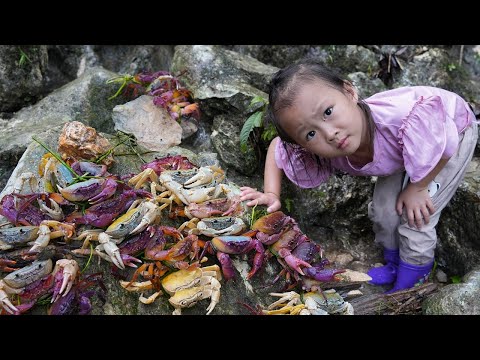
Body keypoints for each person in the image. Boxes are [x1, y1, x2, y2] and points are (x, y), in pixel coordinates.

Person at [239, 58, 478, 293]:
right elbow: (277, 147)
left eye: (328, 112)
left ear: (349, 91)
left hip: (448, 133)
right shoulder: (329, 142)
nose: (330, 133)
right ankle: (395, 263)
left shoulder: (397, 121)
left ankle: (416, 276)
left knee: (416, 217)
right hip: (405, 149)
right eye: (310, 134)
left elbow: (445, 145)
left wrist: (418, 188)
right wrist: (271, 193)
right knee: (384, 210)